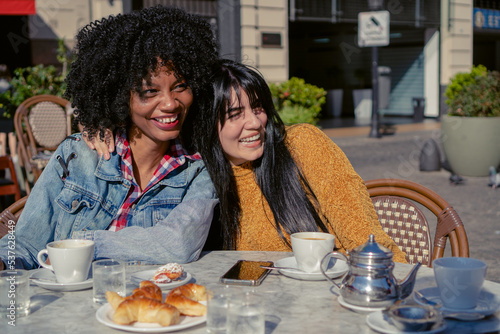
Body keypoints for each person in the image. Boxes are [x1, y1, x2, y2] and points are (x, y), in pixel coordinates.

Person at [0, 6, 220, 271]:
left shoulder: (198, 168)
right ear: (118, 94)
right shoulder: (77, 154)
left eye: (180, 86)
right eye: (149, 91)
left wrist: (78, 245)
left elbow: (178, 243)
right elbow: (24, 245)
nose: (170, 103)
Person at [191, 59, 406, 262]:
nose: (255, 122)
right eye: (235, 114)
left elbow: (363, 235)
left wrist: (386, 281)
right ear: (208, 125)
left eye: (258, 107)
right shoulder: (201, 179)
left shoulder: (301, 144)